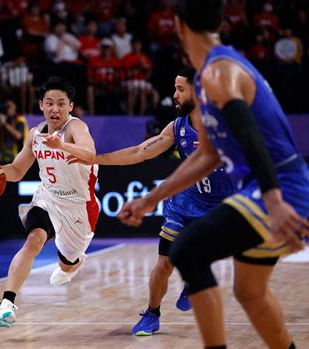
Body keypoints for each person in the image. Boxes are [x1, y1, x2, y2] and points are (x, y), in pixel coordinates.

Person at [119, 1, 309, 348]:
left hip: (278, 187)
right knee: (249, 291)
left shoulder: (218, 72)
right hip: (280, 185)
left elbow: (251, 136)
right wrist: (151, 199)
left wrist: (273, 201)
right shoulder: (211, 75)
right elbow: (208, 156)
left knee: (188, 251)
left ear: (178, 27)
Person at [70, 66, 235, 336]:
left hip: (220, 207)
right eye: (175, 88)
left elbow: (261, 151)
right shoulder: (177, 128)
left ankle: (194, 278)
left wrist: (302, 178)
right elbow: (139, 152)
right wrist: (93, 158)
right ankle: (152, 313)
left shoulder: (227, 124)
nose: (174, 95)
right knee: (164, 263)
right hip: (186, 202)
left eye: (180, 89)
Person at [0, 77, 99, 328]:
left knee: (67, 263)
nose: (55, 108)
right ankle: (7, 303)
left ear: (70, 106)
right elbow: (17, 170)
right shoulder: (36, 133)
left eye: (61, 103)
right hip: (48, 198)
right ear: (41, 105)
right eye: (49, 103)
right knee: (34, 240)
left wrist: (63, 145)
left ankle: (70, 265)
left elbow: (91, 154)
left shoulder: (76, 128)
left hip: (79, 207)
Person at [0, 99, 29, 164]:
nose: (7, 110)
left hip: (20, 157)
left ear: (15, 106)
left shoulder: (20, 120)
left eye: (9, 107)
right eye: (6, 107)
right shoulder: (7, 120)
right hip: (6, 157)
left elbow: (18, 136)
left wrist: (5, 124)